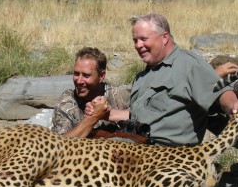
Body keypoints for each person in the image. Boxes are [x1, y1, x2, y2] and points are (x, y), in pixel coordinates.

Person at [86, 13, 238, 146]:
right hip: (136, 142)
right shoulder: (142, 77)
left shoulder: (188, 64)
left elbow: (221, 92)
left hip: (168, 153)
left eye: (144, 39)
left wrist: (233, 106)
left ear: (165, 38)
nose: (138, 45)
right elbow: (138, 115)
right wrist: (106, 114)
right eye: (135, 40)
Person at [51, 47, 130, 137]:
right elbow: (60, 144)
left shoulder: (118, 93)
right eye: (76, 74)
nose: (79, 81)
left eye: (86, 75)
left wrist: (110, 114)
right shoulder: (66, 104)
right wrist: (93, 117)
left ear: (101, 76)